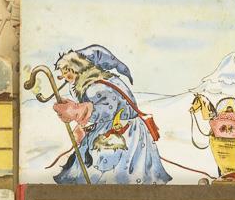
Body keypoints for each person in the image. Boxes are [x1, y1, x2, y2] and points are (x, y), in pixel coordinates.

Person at [50, 46, 172, 185]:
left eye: (67, 72)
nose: (64, 77)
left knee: (111, 169)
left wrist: (76, 111)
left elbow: (106, 110)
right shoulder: (104, 79)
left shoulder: (95, 86)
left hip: (123, 132)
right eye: (62, 74)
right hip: (119, 127)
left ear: (77, 69)